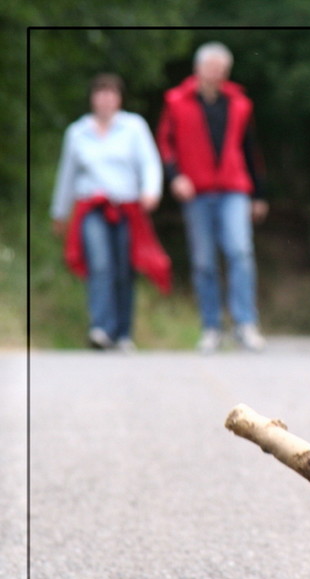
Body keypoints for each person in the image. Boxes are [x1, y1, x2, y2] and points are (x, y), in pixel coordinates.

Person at [156, 41, 269, 353]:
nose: (215, 74)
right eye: (210, 68)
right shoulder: (177, 101)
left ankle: (245, 324)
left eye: (221, 69)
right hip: (197, 191)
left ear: (226, 72)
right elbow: (165, 144)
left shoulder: (239, 103)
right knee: (204, 262)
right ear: (198, 69)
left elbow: (251, 149)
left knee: (240, 252)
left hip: (234, 189)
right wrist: (174, 176)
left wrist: (259, 194)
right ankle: (211, 327)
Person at [51, 73, 170, 351]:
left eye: (111, 94)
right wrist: (59, 212)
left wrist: (151, 190)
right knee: (100, 264)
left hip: (127, 207)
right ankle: (101, 327)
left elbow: (150, 163)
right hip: (92, 207)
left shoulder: (133, 127)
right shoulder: (77, 132)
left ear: (119, 99)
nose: (105, 99)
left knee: (124, 268)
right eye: (100, 93)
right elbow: (66, 176)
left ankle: (123, 333)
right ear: (93, 98)